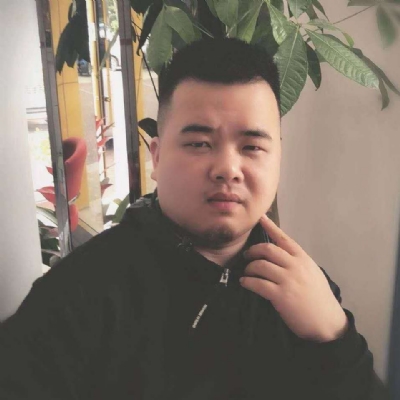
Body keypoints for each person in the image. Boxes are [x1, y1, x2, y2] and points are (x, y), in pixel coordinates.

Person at [0, 37, 387, 400]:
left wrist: (336, 338)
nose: (228, 169)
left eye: (252, 146)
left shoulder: (306, 288)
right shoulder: (77, 296)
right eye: (200, 143)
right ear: (156, 157)